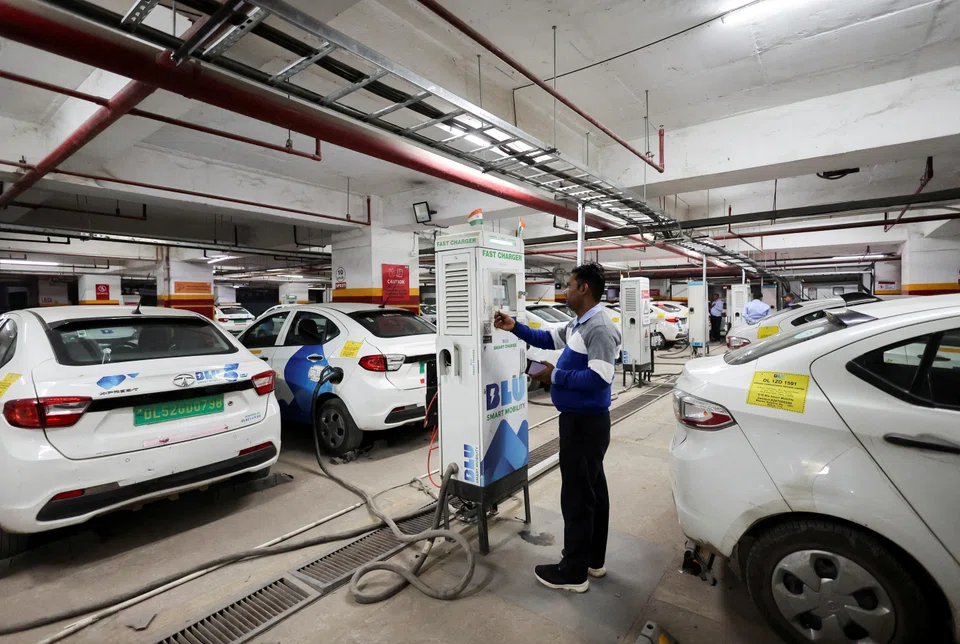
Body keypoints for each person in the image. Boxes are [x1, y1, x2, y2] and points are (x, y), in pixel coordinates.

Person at [494, 263, 621, 593]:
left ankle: (573, 572)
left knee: (577, 497)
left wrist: (555, 376)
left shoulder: (600, 328)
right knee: (593, 492)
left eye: (570, 285)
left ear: (584, 290)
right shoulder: (580, 323)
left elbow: (600, 377)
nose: (565, 290)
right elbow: (547, 337)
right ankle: (592, 560)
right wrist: (514, 327)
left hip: (585, 423)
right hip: (581, 421)